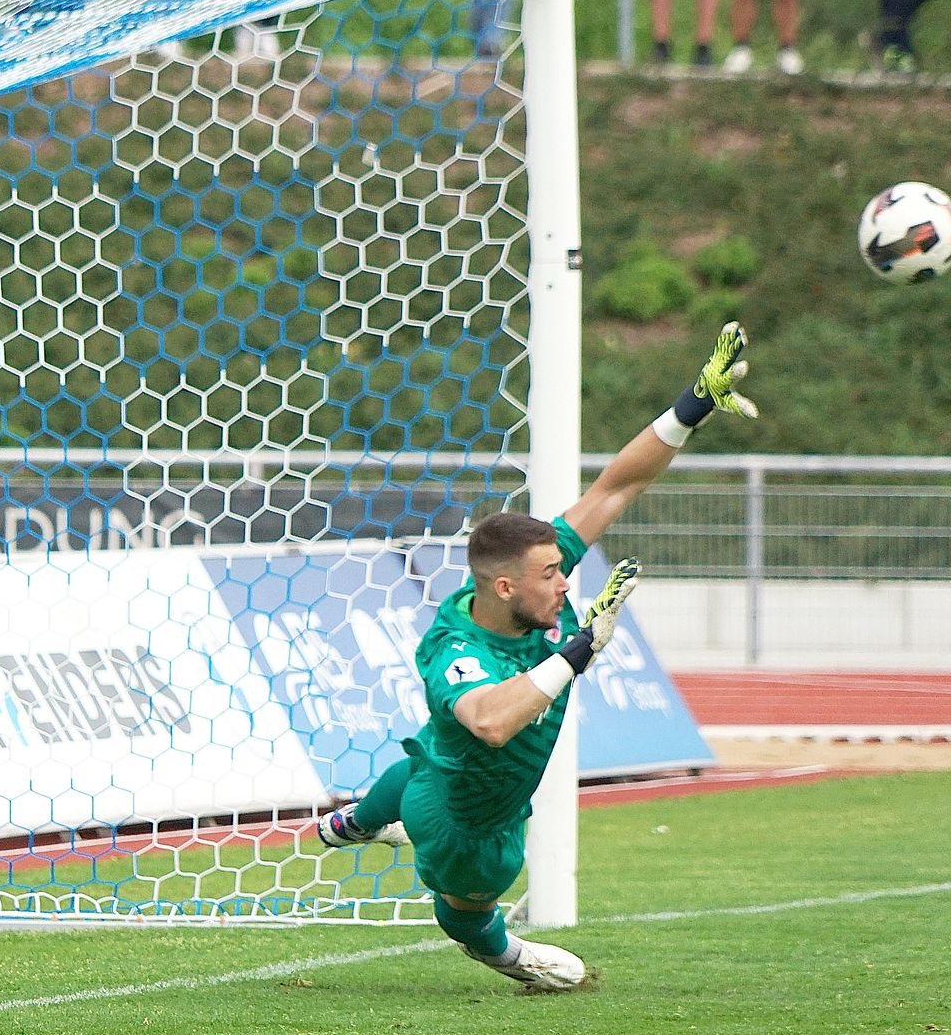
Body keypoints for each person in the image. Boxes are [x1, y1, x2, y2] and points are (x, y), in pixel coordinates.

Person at [317, 323, 759, 991]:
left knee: (421, 763)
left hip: (440, 773)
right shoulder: (456, 650)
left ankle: (356, 821)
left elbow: (614, 489)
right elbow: (493, 721)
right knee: (468, 910)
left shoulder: (528, 584)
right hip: (469, 829)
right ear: (505, 587)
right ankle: (505, 956)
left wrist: (690, 407)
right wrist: (578, 652)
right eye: (551, 575)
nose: (565, 582)